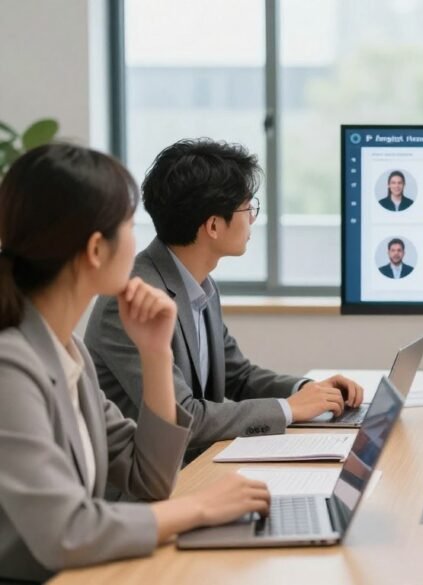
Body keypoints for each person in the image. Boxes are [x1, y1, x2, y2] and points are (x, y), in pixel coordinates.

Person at [0, 144, 271, 582]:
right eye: (128, 224)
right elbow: (67, 531)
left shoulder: (69, 354)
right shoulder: (10, 367)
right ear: (95, 250)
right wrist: (201, 507)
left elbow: (151, 478)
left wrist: (156, 353)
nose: (142, 241)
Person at [85, 139, 363, 461]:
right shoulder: (134, 302)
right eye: (248, 208)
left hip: (195, 465)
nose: (253, 219)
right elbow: (182, 417)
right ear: (213, 226)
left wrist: (307, 390)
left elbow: (239, 376)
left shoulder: (199, 284)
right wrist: (288, 409)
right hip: (143, 489)